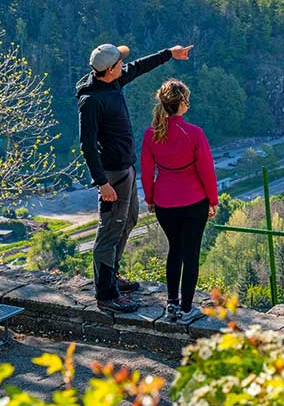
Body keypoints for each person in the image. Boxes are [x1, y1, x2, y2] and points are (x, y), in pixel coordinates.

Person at [78, 41, 191, 313]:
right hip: (112, 174)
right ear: (110, 69)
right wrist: (102, 183)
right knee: (110, 229)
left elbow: (139, 67)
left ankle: (113, 275)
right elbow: (87, 145)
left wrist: (168, 54)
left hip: (125, 167)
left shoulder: (111, 81)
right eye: (120, 63)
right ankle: (106, 294)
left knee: (128, 220)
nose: (124, 66)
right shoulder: (91, 101)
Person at [140, 79, 218, 323]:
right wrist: (213, 200)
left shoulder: (151, 134)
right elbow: (206, 170)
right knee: (191, 253)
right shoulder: (194, 133)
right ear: (182, 103)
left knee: (174, 249)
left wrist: (151, 199)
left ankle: (171, 304)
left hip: (164, 202)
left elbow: (146, 171)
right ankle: (186, 309)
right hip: (193, 201)